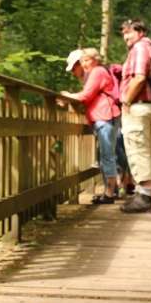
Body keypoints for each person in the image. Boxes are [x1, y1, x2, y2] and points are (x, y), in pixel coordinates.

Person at [61, 48, 120, 204]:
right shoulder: (95, 73)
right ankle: (111, 190)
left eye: (86, 61)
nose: (84, 64)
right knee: (105, 155)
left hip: (104, 116)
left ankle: (110, 193)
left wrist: (68, 96)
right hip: (104, 116)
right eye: (83, 61)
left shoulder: (97, 72)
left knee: (107, 155)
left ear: (95, 60)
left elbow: (86, 95)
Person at [118, 19, 151, 213]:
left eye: (129, 32)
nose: (125, 36)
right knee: (146, 151)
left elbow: (140, 77)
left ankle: (144, 198)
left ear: (141, 32)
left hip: (139, 106)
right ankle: (142, 195)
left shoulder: (140, 48)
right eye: (123, 33)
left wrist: (126, 101)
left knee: (137, 150)